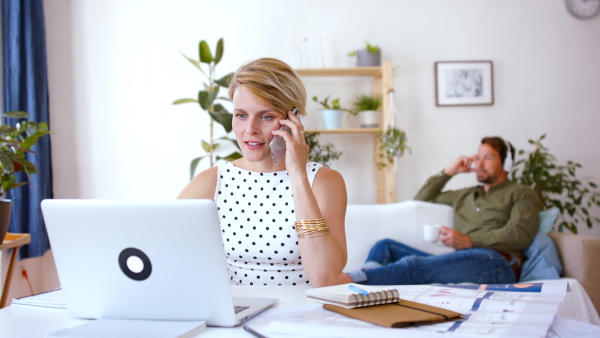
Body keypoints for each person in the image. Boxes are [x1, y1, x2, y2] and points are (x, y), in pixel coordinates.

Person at [178, 58, 348, 287]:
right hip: (236, 316)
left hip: (302, 317)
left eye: (266, 116)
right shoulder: (214, 180)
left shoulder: (324, 181)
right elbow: (163, 246)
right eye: (241, 115)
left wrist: (297, 174)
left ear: (293, 119)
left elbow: (323, 276)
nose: (250, 130)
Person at [338, 137, 540, 285]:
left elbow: (519, 235)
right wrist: (450, 171)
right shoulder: (464, 195)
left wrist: (469, 240)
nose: (479, 163)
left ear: (506, 163)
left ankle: (350, 281)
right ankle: (366, 281)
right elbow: (421, 200)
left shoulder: (521, 193)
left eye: (488, 158)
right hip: (466, 258)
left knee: (415, 265)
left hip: (498, 263)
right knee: (385, 246)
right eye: (477, 157)